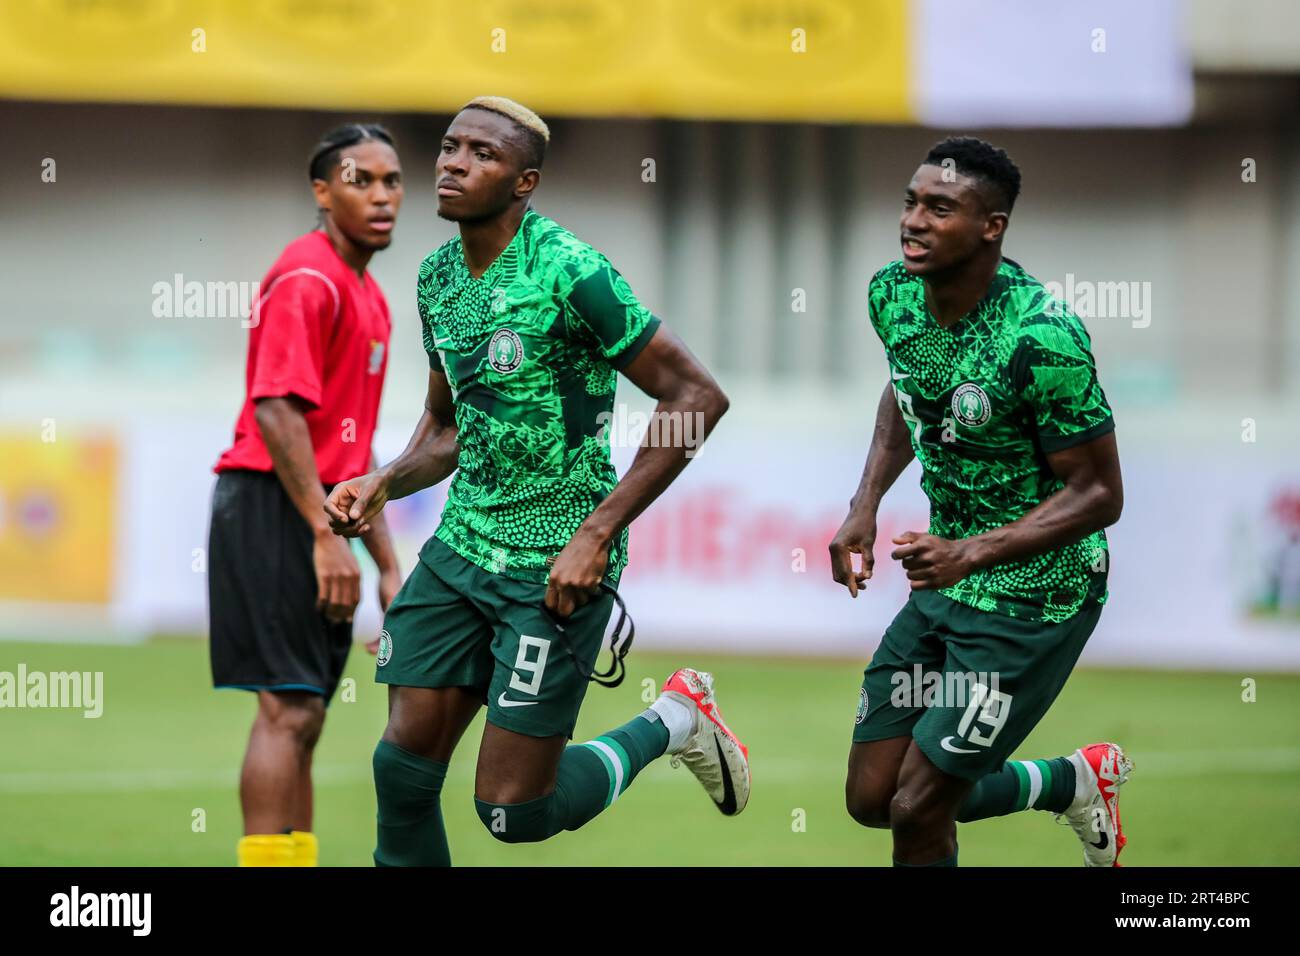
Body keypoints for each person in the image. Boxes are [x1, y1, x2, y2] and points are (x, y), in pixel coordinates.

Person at [325, 96, 749, 866]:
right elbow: (449, 427)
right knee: (401, 768)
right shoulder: (437, 278)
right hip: (461, 549)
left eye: (482, 154)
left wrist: (596, 534)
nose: (453, 162)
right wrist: (383, 479)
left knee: (511, 815)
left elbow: (697, 396)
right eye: (450, 146)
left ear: (525, 182)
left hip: (554, 562)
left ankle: (675, 720)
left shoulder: (571, 270)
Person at [830, 137, 1132, 867]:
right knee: (872, 799)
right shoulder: (892, 294)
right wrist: (865, 501)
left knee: (917, 806)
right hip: (950, 585)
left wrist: (971, 552)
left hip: (1037, 598)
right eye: (910, 202)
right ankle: (1072, 781)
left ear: (991, 226)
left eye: (940, 208)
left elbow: (1099, 494)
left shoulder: (1042, 338)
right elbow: (909, 391)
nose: (915, 221)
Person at [209, 124, 404, 867]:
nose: (382, 196)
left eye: (392, 182)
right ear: (322, 193)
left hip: (322, 511)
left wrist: (386, 564)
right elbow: (275, 410)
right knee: (288, 708)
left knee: (309, 715)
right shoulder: (307, 278)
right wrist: (326, 538)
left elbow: (355, 453)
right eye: (362, 180)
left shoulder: (370, 297)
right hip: (271, 504)